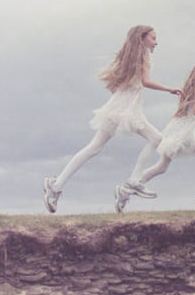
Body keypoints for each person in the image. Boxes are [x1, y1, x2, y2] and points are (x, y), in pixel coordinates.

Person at [42, 25, 182, 213]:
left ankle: (57, 186)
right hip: (126, 110)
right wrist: (169, 89)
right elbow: (145, 81)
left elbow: (123, 84)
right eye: (153, 38)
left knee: (94, 148)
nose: (156, 42)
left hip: (119, 107)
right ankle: (132, 183)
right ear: (142, 39)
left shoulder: (131, 56)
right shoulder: (143, 56)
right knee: (154, 139)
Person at [116, 62, 195, 210]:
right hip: (183, 132)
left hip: (179, 129)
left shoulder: (194, 87)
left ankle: (126, 189)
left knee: (162, 167)